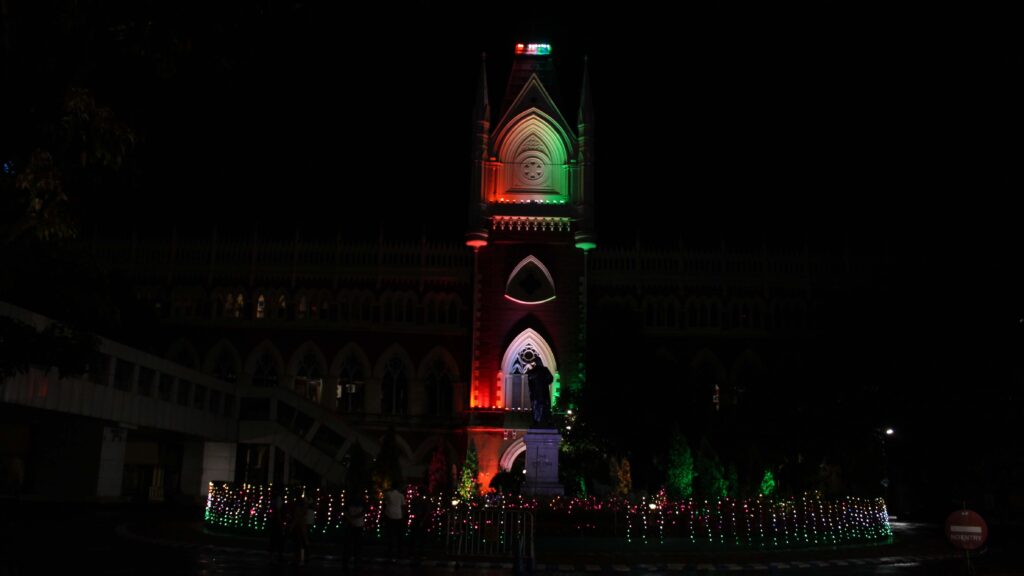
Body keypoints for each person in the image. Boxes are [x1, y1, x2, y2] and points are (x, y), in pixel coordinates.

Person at [341, 494, 365, 571]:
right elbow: (363, 512)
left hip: (352, 524)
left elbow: (345, 511)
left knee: (350, 544)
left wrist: (350, 518)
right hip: (356, 524)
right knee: (356, 544)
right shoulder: (361, 501)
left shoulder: (349, 502)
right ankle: (355, 561)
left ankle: (349, 561)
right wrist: (353, 518)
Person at [526, 358, 553, 425]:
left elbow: (529, 376)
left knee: (540, 405)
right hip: (539, 392)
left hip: (540, 392)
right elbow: (550, 379)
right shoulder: (543, 370)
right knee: (540, 405)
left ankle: (540, 420)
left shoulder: (539, 370)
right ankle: (540, 420)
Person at [383, 485, 406, 558]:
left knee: (390, 533)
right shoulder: (401, 495)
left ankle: (390, 550)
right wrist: (403, 515)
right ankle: (400, 550)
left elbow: (384, 501)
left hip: (389, 515)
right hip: (398, 516)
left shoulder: (388, 494)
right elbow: (403, 506)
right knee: (399, 534)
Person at [268, 489, 285, 563]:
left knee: (274, 539)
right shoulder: (278, 499)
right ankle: (278, 556)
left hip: (274, 521)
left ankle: (273, 555)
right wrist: (281, 522)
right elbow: (277, 511)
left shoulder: (274, 499)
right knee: (278, 539)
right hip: (276, 522)